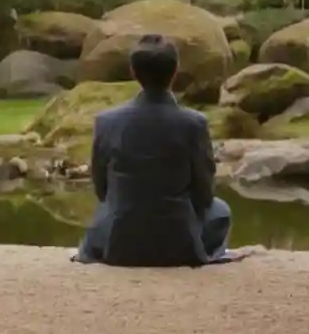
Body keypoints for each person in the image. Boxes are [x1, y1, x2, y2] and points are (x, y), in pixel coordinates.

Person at [73, 33, 233, 266]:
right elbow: (204, 191)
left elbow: (102, 189)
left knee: (107, 211)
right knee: (220, 210)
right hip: (179, 242)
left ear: (133, 72)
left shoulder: (107, 121)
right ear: (175, 70)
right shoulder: (193, 123)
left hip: (120, 241)